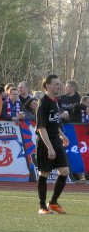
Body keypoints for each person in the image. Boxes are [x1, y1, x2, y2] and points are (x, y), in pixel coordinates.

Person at [36, 74, 70, 215]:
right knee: (44, 173)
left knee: (64, 171)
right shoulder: (43, 103)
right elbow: (41, 127)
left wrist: (63, 135)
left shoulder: (55, 101)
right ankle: (42, 206)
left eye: (59, 83)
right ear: (47, 86)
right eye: (56, 84)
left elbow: (54, 122)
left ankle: (53, 202)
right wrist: (49, 147)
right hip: (46, 143)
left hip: (56, 141)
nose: (59, 86)